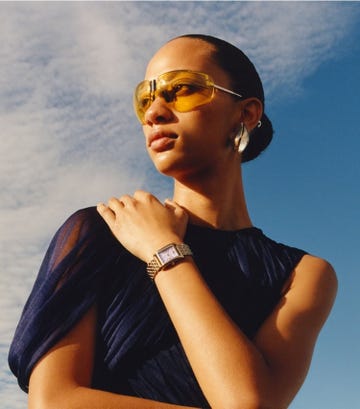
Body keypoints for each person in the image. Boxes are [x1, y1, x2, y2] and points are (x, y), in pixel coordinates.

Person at [9, 34, 337, 409]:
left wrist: (164, 252)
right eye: (144, 100)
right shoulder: (101, 231)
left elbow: (247, 402)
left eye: (180, 89)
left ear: (246, 114)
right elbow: (54, 401)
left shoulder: (303, 275)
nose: (154, 113)